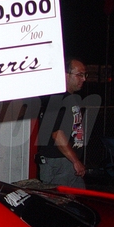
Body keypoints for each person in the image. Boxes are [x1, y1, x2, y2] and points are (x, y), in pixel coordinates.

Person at [37, 58, 88, 188]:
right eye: (79, 75)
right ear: (66, 75)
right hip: (58, 163)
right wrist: (75, 161)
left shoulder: (70, 99)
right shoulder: (57, 99)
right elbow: (57, 135)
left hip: (67, 162)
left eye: (84, 75)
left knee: (80, 196)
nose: (83, 79)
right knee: (61, 199)